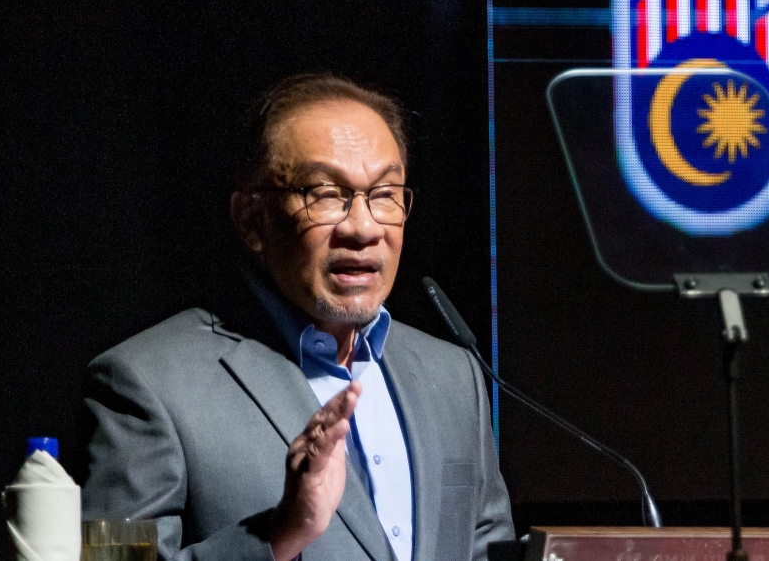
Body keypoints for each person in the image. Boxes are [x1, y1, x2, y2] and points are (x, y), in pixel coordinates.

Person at [81, 73, 514, 561]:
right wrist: (278, 534)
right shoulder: (143, 383)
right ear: (251, 219)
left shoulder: (454, 376)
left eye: (385, 194)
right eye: (325, 193)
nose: (363, 227)